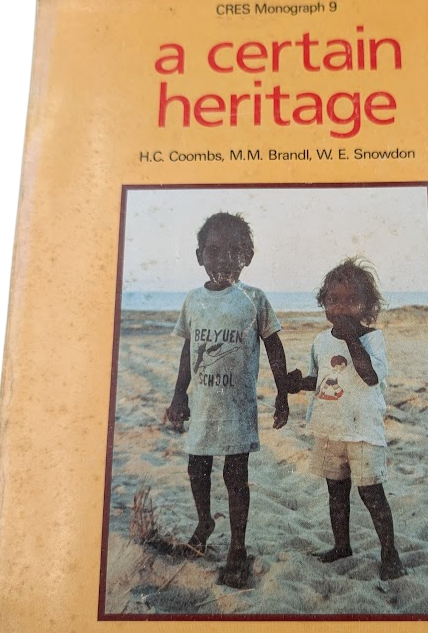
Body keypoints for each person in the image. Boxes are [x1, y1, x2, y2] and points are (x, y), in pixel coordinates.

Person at [166, 212, 289, 588]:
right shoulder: (193, 301)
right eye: (214, 250)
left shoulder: (254, 299)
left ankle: (237, 546)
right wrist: (179, 395)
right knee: (197, 469)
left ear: (247, 256)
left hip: (237, 409)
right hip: (204, 407)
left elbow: (274, 346)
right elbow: (189, 350)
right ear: (199, 255)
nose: (224, 259)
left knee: (236, 477)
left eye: (235, 251)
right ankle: (204, 522)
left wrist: (282, 393)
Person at [287, 258, 405, 580]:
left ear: (368, 306)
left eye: (352, 300)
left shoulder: (372, 339)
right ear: (323, 304)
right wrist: (298, 383)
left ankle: (389, 553)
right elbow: (322, 379)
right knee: (336, 492)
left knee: (371, 494)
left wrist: (352, 339)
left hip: (363, 431)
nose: (341, 307)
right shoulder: (320, 341)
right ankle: (342, 546)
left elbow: (369, 376)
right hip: (330, 429)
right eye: (333, 300)